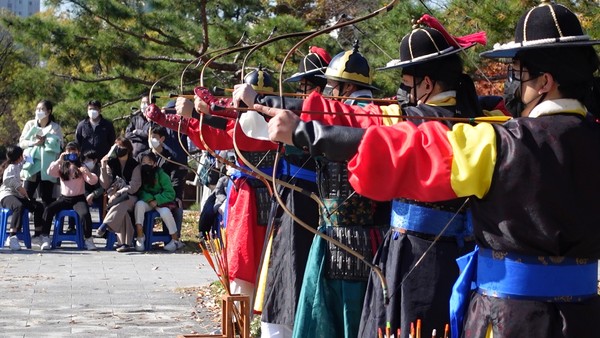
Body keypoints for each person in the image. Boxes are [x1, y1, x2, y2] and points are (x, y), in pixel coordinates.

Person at [260, 3, 600, 337]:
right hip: (587, 317)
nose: (512, 83)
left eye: (518, 74)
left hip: (513, 318)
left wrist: (303, 132)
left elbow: (408, 153)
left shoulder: (499, 143)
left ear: (545, 82)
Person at [231, 46, 331, 337]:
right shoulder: (306, 109)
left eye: (308, 85)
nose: (303, 90)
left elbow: (294, 117)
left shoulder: (323, 110)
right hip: (291, 197)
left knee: (295, 271)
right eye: (301, 85)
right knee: (282, 271)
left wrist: (258, 101)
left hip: (306, 201)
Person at [39, 142, 98, 251]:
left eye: (74, 151)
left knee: (85, 214)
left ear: (78, 152)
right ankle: (45, 237)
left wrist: (88, 173)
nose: (72, 154)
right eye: (69, 151)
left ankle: (88, 239)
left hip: (78, 198)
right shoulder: (62, 166)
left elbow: (93, 181)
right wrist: (60, 160)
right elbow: (49, 172)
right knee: (48, 209)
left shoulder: (82, 166)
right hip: (64, 198)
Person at [19, 100, 63, 221]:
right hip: (31, 165)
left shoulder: (55, 127)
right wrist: (34, 142)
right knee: (26, 195)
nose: (38, 112)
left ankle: (44, 231)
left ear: (49, 112)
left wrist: (47, 141)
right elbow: (22, 142)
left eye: (42, 109)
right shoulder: (30, 124)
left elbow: (59, 146)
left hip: (47, 168)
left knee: (47, 199)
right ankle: (24, 228)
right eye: (37, 109)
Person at [134, 152, 183, 252]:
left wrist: (157, 200)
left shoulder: (162, 175)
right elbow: (140, 190)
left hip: (161, 202)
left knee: (165, 213)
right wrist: (150, 199)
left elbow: (170, 193)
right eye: (143, 162)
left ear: (155, 163)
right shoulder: (139, 174)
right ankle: (140, 236)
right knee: (139, 205)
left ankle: (175, 240)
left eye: (149, 162)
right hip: (147, 201)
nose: (146, 164)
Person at [99, 137, 141, 253]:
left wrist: (119, 193)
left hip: (130, 197)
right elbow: (105, 184)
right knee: (122, 209)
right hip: (114, 198)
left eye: (121, 147)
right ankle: (125, 244)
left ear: (128, 149)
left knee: (122, 204)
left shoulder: (135, 165)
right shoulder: (111, 163)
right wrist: (103, 166)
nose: (118, 150)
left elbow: (134, 186)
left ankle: (106, 224)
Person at [0, 146, 44, 250]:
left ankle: (37, 234)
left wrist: (25, 159)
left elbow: (21, 165)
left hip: (17, 195)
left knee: (38, 206)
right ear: (18, 157)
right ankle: (12, 236)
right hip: (7, 195)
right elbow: (8, 180)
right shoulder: (10, 167)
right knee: (18, 206)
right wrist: (20, 188)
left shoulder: (17, 165)